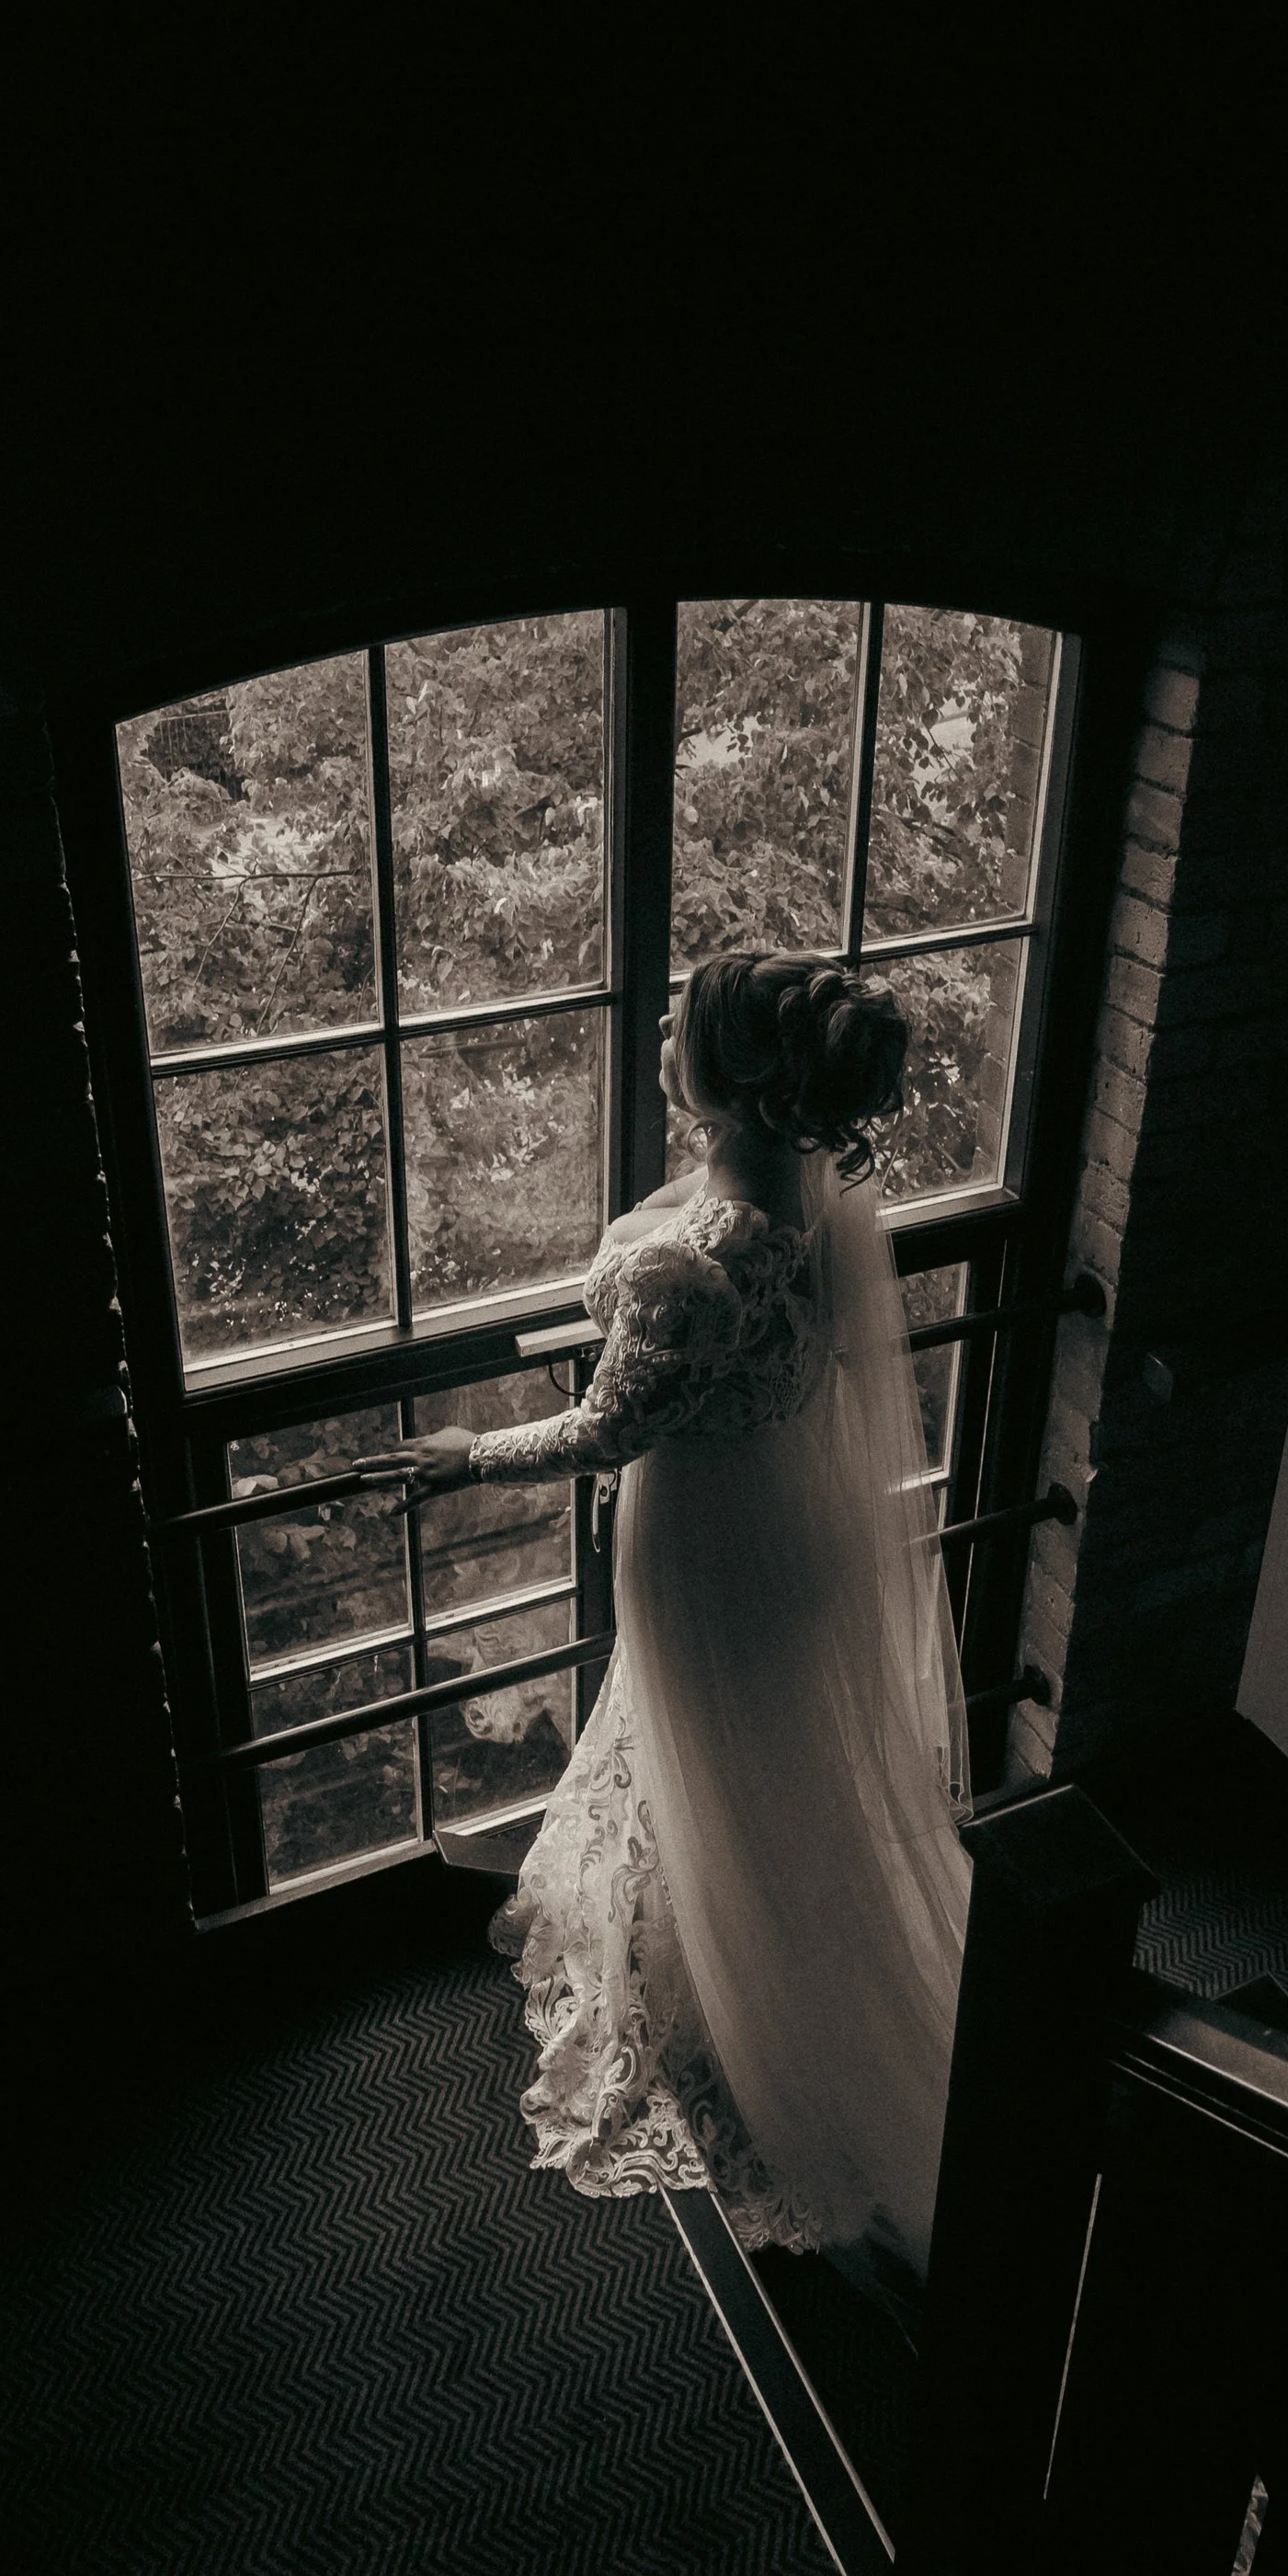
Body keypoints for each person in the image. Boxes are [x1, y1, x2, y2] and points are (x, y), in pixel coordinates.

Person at [373, 949, 975, 2302]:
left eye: (677, 1021)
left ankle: (764, 2006)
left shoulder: (698, 1266)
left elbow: (607, 1428)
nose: (656, 1030)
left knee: (717, 1749)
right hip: (780, 1520)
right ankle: (728, 1955)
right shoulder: (812, 1192)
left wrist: (466, 1453)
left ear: (743, 1077)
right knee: (767, 1760)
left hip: (704, 1541)